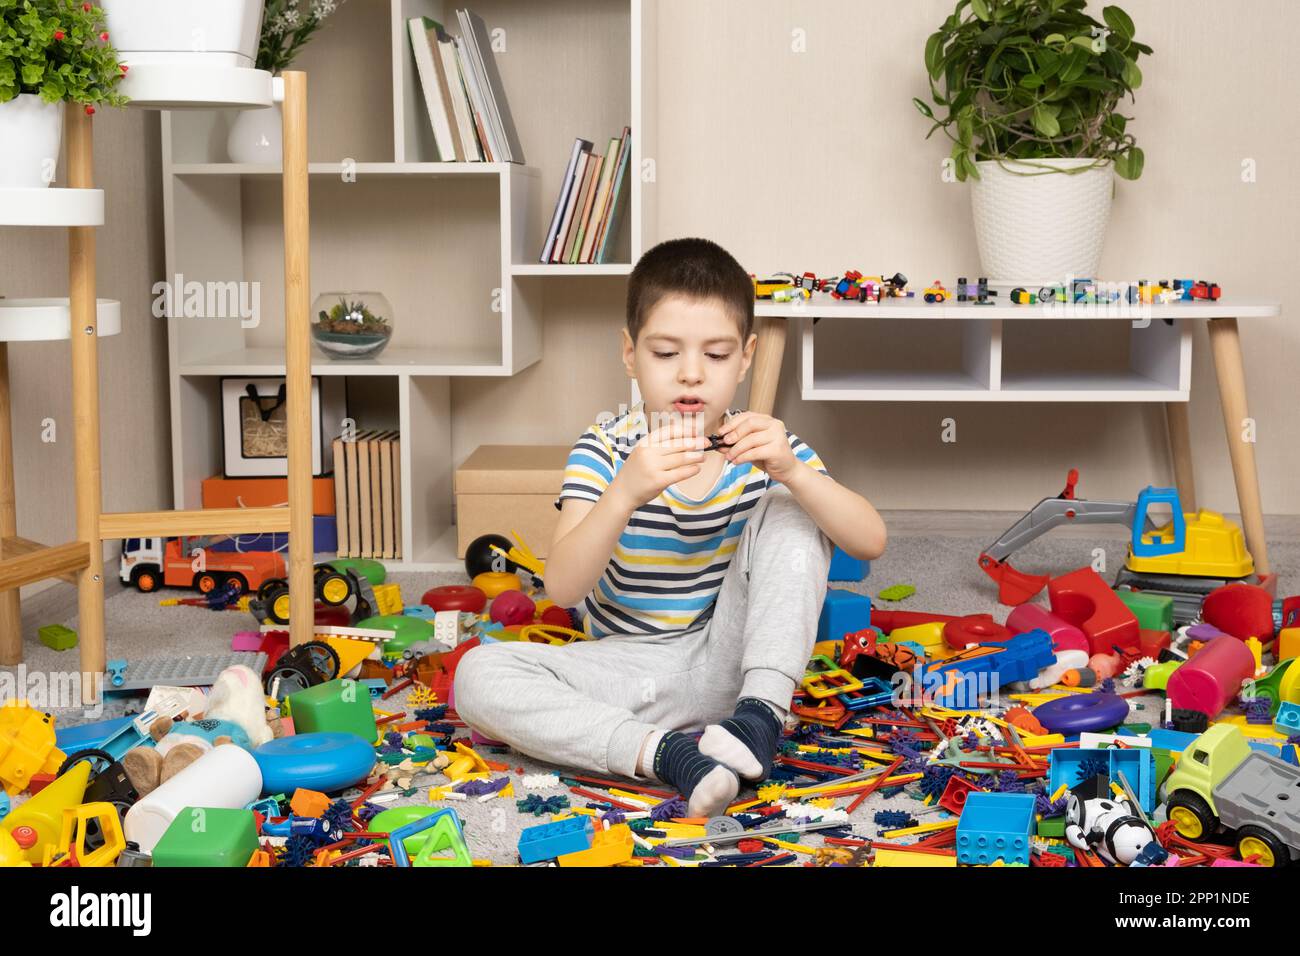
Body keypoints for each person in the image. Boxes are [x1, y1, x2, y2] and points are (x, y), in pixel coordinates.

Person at [454, 237, 887, 816]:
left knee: (793, 504)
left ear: (746, 355)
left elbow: (870, 540)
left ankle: (759, 719)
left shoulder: (761, 445)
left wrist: (794, 472)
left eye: (715, 354)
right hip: (631, 675)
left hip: (738, 664)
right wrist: (625, 492)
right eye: (665, 354)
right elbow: (562, 587)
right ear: (630, 354)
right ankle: (673, 758)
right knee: (478, 674)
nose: (690, 375)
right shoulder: (606, 448)